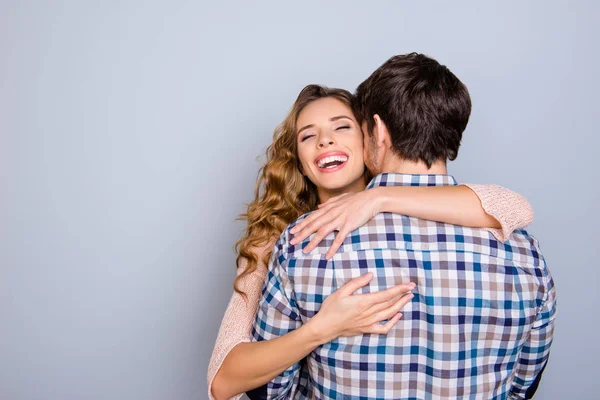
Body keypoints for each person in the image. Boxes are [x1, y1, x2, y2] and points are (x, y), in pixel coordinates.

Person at [250, 54, 555, 399]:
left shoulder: (305, 240)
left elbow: (269, 389)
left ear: (377, 131)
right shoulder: (525, 254)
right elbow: (522, 386)